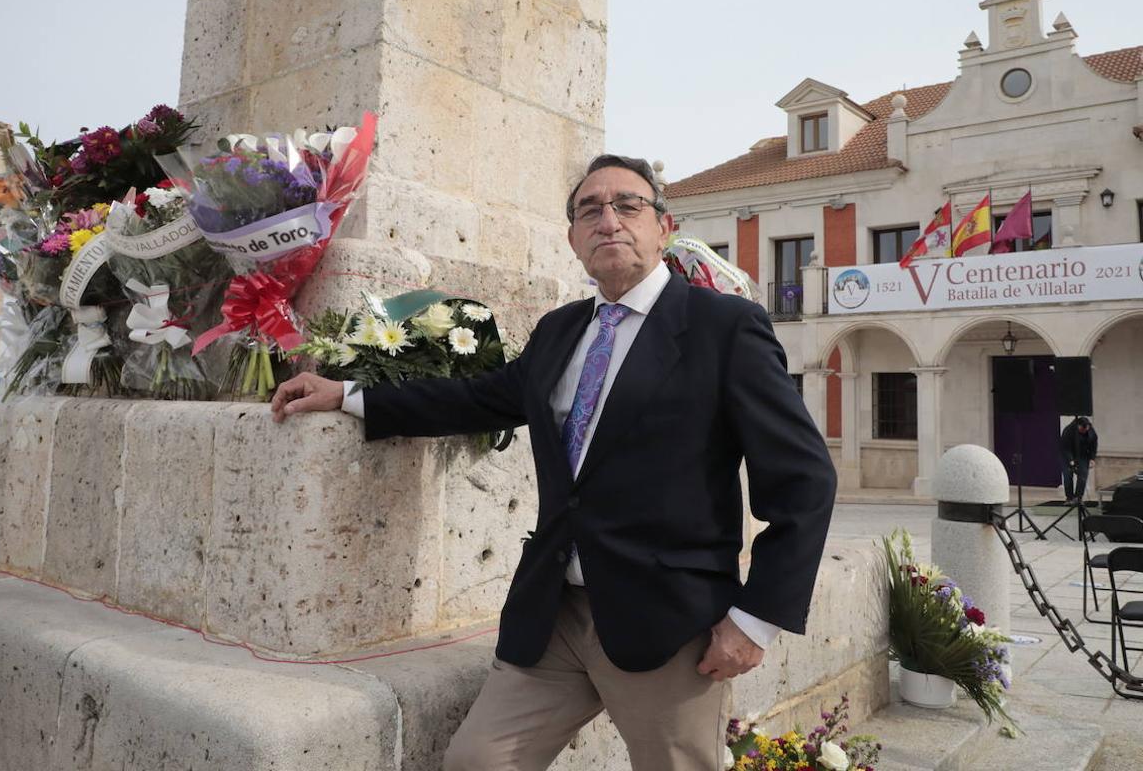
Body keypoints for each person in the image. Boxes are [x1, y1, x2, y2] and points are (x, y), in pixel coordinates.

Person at [271, 155, 837, 771]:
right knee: (476, 762)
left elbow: (804, 480)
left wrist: (756, 620)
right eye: (589, 210)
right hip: (554, 616)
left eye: (627, 205)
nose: (608, 220)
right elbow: (479, 398)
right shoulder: (561, 331)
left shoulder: (723, 327)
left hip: (668, 622)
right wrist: (351, 395)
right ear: (572, 239)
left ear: (664, 227)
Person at [1060, 416, 1098, 503]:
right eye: (1082, 430)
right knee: (1068, 476)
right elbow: (1065, 448)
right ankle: (1069, 497)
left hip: (1083, 455)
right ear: (1078, 426)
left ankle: (1078, 497)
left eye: (1086, 430)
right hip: (1068, 455)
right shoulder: (1068, 430)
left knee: (1083, 476)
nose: (1084, 431)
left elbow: (1094, 445)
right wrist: (1071, 460)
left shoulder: (1091, 431)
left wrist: (1092, 458)